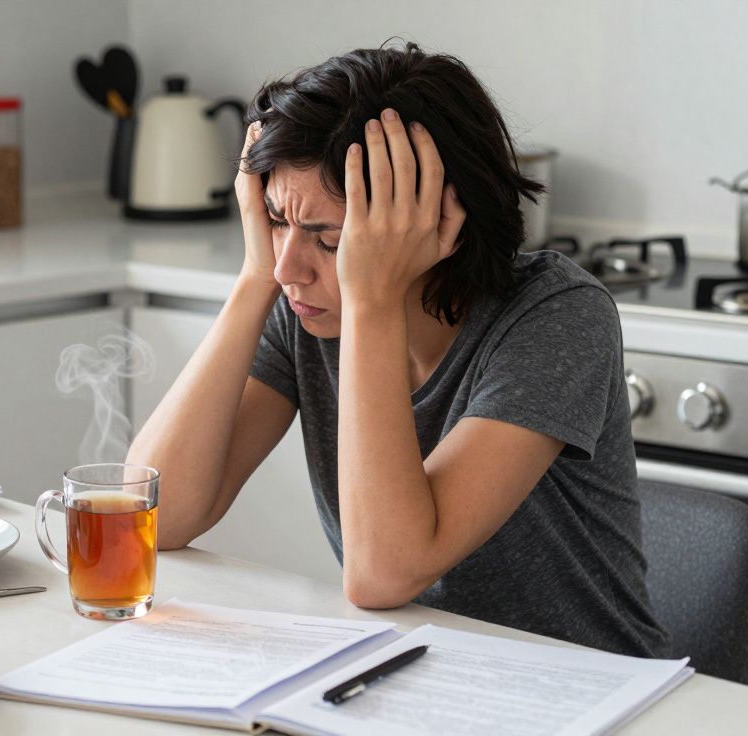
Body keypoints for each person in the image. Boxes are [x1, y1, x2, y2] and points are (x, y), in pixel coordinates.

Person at [125, 42, 669, 657]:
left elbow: (384, 573)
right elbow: (153, 519)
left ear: (438, 220)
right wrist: (253, 278)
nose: (289, 268)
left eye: (329, 240)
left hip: (587, 686)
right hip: (414, 671)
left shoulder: (557, 314)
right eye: (276, 220)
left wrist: (372, 300)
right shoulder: (303, 301)